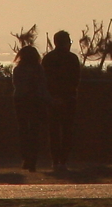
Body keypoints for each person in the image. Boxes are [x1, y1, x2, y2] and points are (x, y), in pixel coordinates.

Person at [42, 30, 81, 170]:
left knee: (53, 131)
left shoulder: (48, 58)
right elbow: (75, 79)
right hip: (68, 99)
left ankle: (55, 160)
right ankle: (63, 161)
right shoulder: (72, 59)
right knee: (67, 131)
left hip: (52, 99)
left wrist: (52, 96)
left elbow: (45, 80)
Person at [12, 45, 50, 172]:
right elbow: (42, 86)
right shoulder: (38, 69)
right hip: (35, 101)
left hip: (21, 101)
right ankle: (33, 159)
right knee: (34, 130)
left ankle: (26, 157)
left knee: (23, 129)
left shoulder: (18, 69)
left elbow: (17, 85)